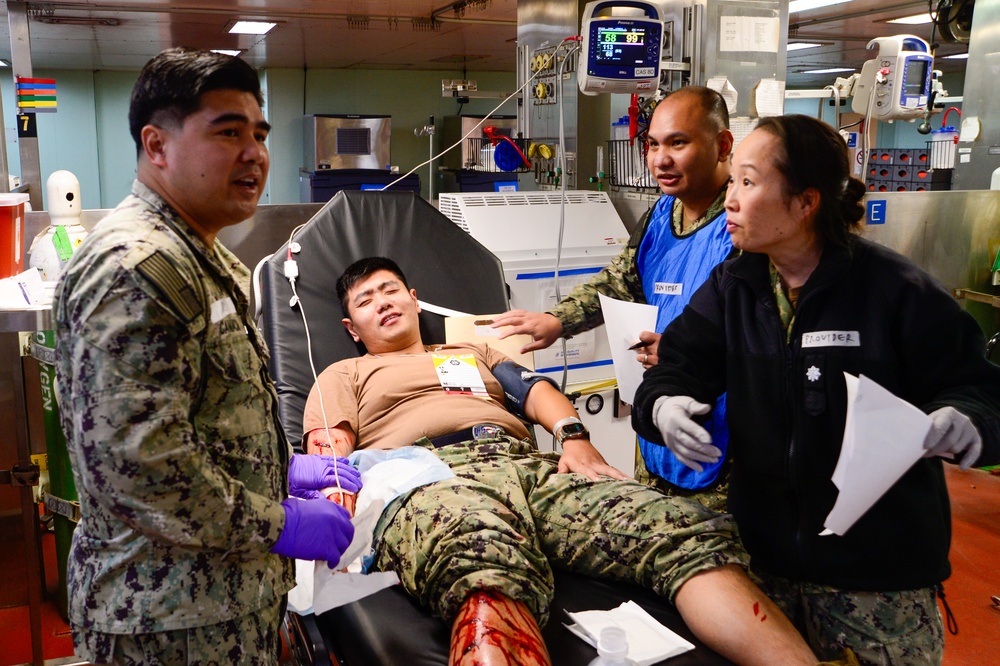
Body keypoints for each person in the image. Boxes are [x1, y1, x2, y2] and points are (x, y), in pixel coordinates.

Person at [301, 256, 828, 666]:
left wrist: (574, 436)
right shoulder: (343, 374)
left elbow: (532, 390)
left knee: (673, 526)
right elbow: (331, 451)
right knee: (478, 555)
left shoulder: (471, 354)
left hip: (530, 466)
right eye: (367, 300)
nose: (383, 302)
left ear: (414, 300)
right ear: (352, 326)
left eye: (391, 289)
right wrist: (340, 510)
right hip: (428, 478)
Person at [632, 114, 1000, 664]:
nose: (729, 200)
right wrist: (664, 405)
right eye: (731, 181)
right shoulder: (736, 285)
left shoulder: (894, 291)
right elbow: (676, 366)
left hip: (876, 586)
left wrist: (966, 418)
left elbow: (977, 388)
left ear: (805, 202)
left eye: (749, 183)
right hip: (763, 570)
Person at [54, 48, 358, 665]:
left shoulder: (208, 258)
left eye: (259, 134)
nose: (255, 153)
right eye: (227, 132)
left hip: (221, 602)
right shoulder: (136, 268)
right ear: (157, 146)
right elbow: (142, 470)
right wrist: (281, 524)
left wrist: (281, 466)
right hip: (165, 620)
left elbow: (210, 415)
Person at [490, 86, 735, 509]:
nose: (661, 160)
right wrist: (557, 321)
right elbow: (622, 279)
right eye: (653, 144)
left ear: (723, 144)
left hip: (725, 443)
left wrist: (686, 353)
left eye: (678, 143)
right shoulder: (662, 214)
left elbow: (770, 334)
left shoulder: (744, 223)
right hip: (656, 422)